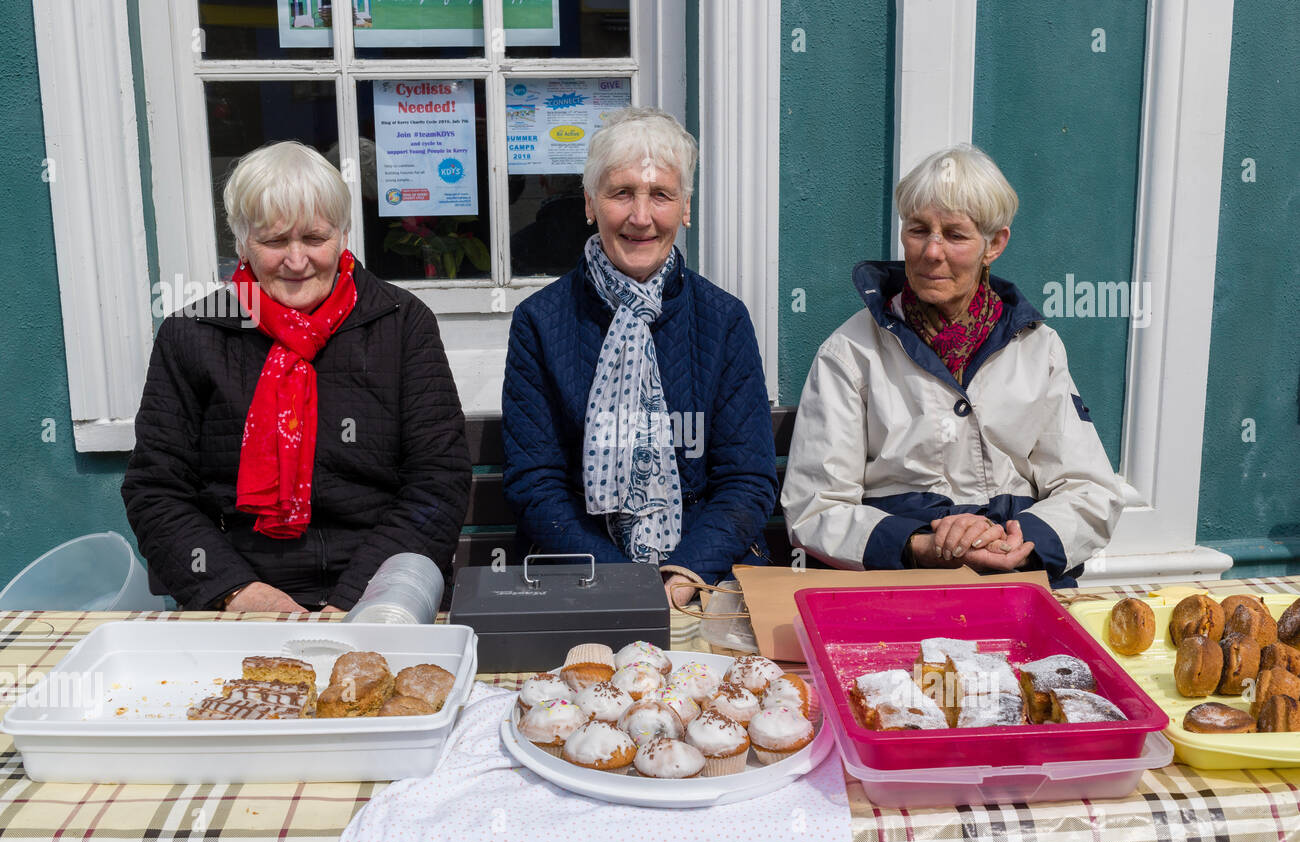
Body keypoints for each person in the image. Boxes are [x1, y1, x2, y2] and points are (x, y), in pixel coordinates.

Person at [122, 141, 470, 612]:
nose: (296, 260)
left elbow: (437, 480)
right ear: (242, 242)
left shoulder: (402, 322)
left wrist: (356, 598)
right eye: (273, 241)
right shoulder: (192, 336)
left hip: (384, 592)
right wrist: (238, 591)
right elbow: (157, 490)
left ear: (342, 235)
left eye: (313, 238)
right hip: (246, 592)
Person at [781, 144, 1122, 587]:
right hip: (901, 580)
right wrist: (920, 545)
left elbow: (1090, 490)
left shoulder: (1039, 347)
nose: (932, 251)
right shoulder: (850, 351)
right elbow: (815, 507)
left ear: (994, 244)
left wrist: (1018, 541)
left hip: (1018, 574)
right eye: (919, 229)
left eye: (956, 235)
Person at [501, 107, 777, 607]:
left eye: (661, 195)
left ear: (686, 207)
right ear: (590, 203)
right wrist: (623, 582)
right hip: (582, 577)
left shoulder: (724, 319)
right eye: (621, 193)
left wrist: (684, 571)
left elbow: (746, 480)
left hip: (704, 574)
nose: (641, 217)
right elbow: (535, 484)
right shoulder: (540, 321)